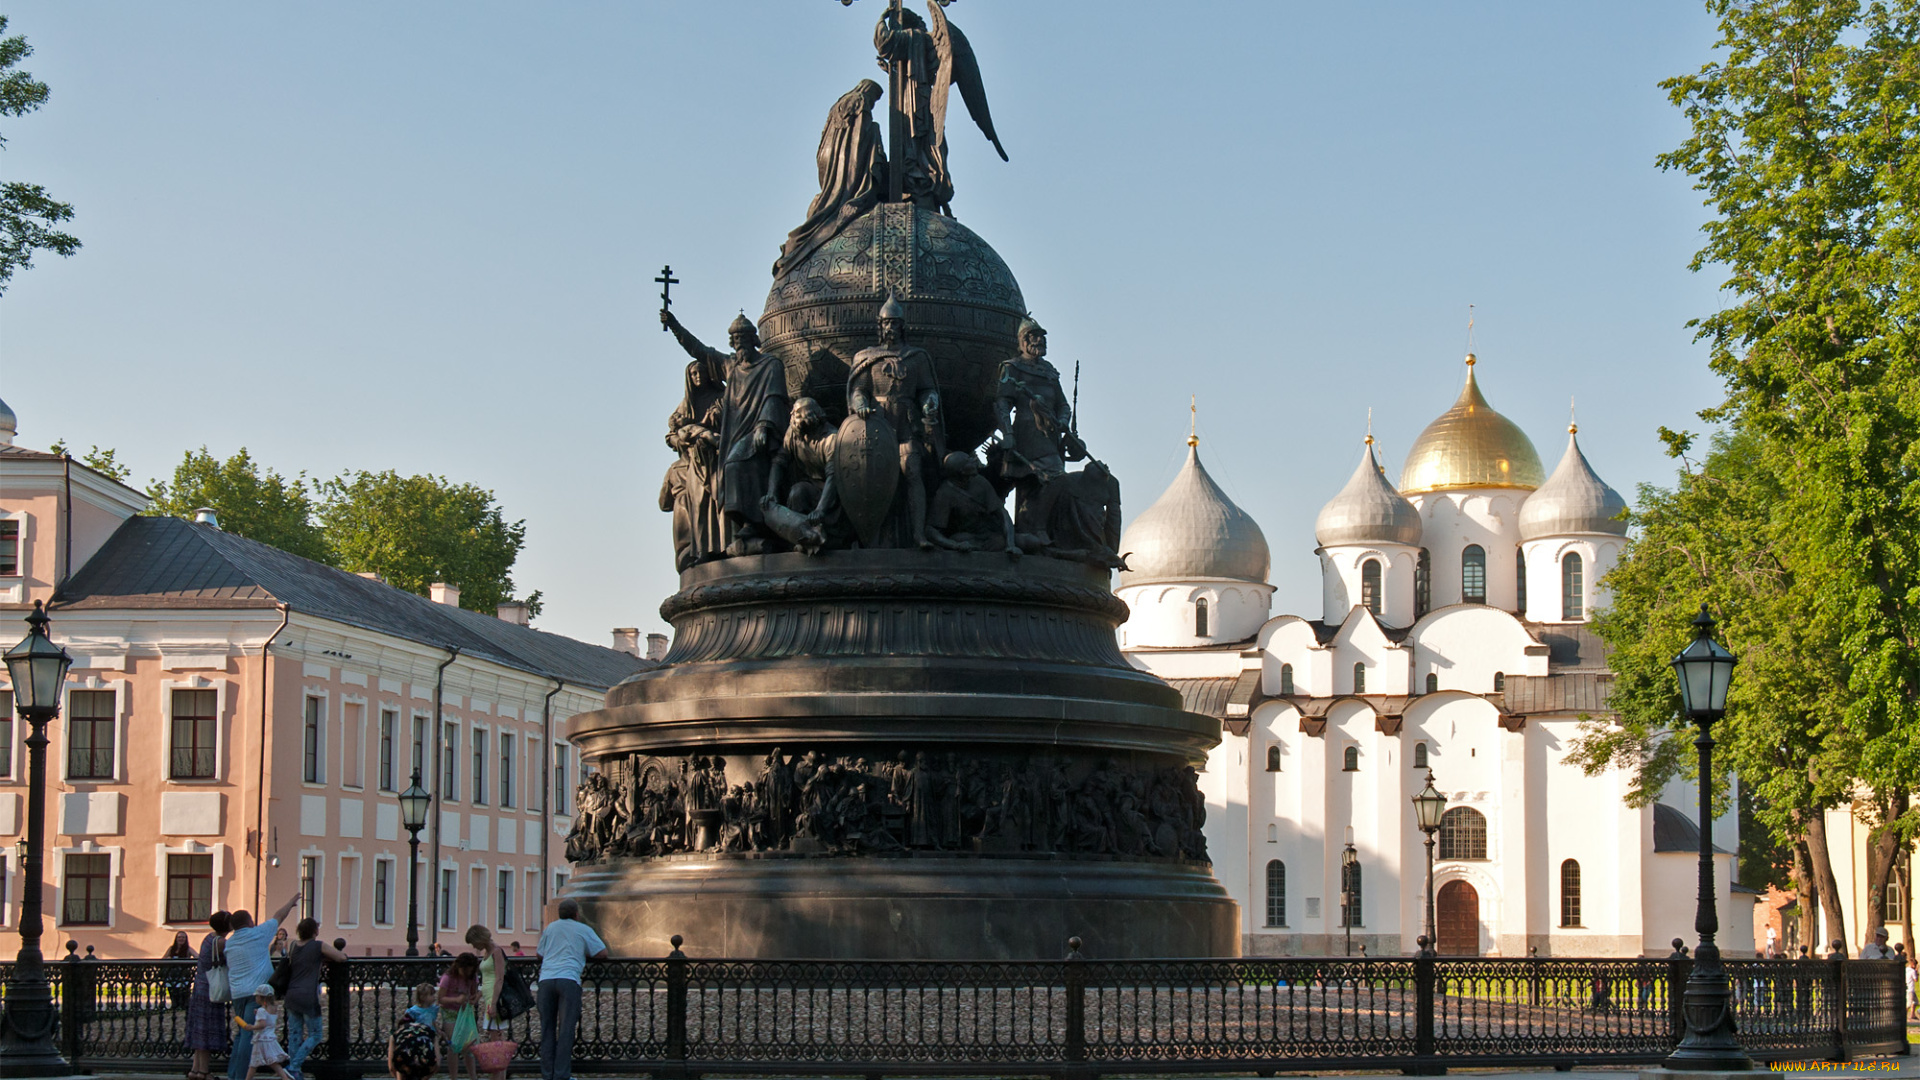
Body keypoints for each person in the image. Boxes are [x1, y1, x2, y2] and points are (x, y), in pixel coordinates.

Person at [226, 895, 301, 1080]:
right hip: (256, 993)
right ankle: (240, 1077)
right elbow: (278, 917)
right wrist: (290, 903)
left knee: (241, 1033)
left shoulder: (230, 942)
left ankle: (233, 1073)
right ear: (250, 921)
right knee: (248, 1036)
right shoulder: (258, 934)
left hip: (237, 994)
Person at [535, 898, 608, 1080]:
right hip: (568, 979)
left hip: (545, 980)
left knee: (547, 1030)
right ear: (577, 914)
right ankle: (561, 1075)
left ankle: (547, 1074)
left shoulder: (550, 928)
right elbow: (602, 953)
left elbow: (539, 954)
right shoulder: (583, 929)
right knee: (566, 1030)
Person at [285, 917, 350, 1080]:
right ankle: (293, 1066)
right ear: (315, 931)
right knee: (315, 1034)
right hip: (308, 995)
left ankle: (295, 1070)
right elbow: (341, 957)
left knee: (294, 1033)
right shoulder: (317, 945)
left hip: (291, 994)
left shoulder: (293, 945)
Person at [185, 912, 231, 1080]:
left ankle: (195, 1069)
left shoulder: (208, 938)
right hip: (212, 989)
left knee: (199, 1029)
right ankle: (204, 1072)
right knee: (206, 1030)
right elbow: (230, 960)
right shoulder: (221, 942)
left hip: (200, 986)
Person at [463, 925, 512, 1080]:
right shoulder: (487, 953)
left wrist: (495, 1003)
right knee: (496, 1040)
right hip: (489, 997)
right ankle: (498, 1076)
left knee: (496, 1041)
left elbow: (499, 978)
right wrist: (478, 996)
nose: (474, 946)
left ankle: (497, 1076)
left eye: (473, 942)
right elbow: (488, 980)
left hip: (494, 999)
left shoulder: (496, 952)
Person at [437, 952, 482, 1080]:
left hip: (464, 1012)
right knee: (454, 1044)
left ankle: (473, 1076)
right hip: (450, 1012)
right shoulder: (448, 977)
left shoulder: (472, 977)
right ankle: (453, 1077)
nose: (466, 973)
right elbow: (441, 998)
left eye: (469, 970)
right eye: (464, 970)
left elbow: (474, 993)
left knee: (469, 1045)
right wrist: (456, 1000)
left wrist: (475, 997)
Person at [235, 984, 295, 1080]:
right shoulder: (272, 1009)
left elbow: (262, 1024)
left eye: (256, 996)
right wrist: (258, 1012)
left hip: (261, 1039)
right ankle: (285, 1078)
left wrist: (251, 1027)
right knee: (273, 1062)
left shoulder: (261, 1011)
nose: (255, 998)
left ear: (261, 997)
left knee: (253, 1063)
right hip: (270, 1038)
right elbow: (267, 1018)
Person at [388, 1006, 440, 1080]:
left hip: (404, 1057)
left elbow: (391, 1068)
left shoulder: (397, 1033)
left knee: (400, 1066)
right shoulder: (428, 1031)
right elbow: (437, 1064)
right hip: (425, 1057)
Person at [164, 930, 197, 1008]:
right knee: (172, 990)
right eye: (179, 937)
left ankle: (183, 1005)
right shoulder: (171, 949)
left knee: (183, 992)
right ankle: (174, 1004)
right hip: (173, 974)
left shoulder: (188, 949)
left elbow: (197, 956)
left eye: (183, 937)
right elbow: (163, 958)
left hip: (184, 973)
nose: (181, 939)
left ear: (186, 939)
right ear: (176, 938)